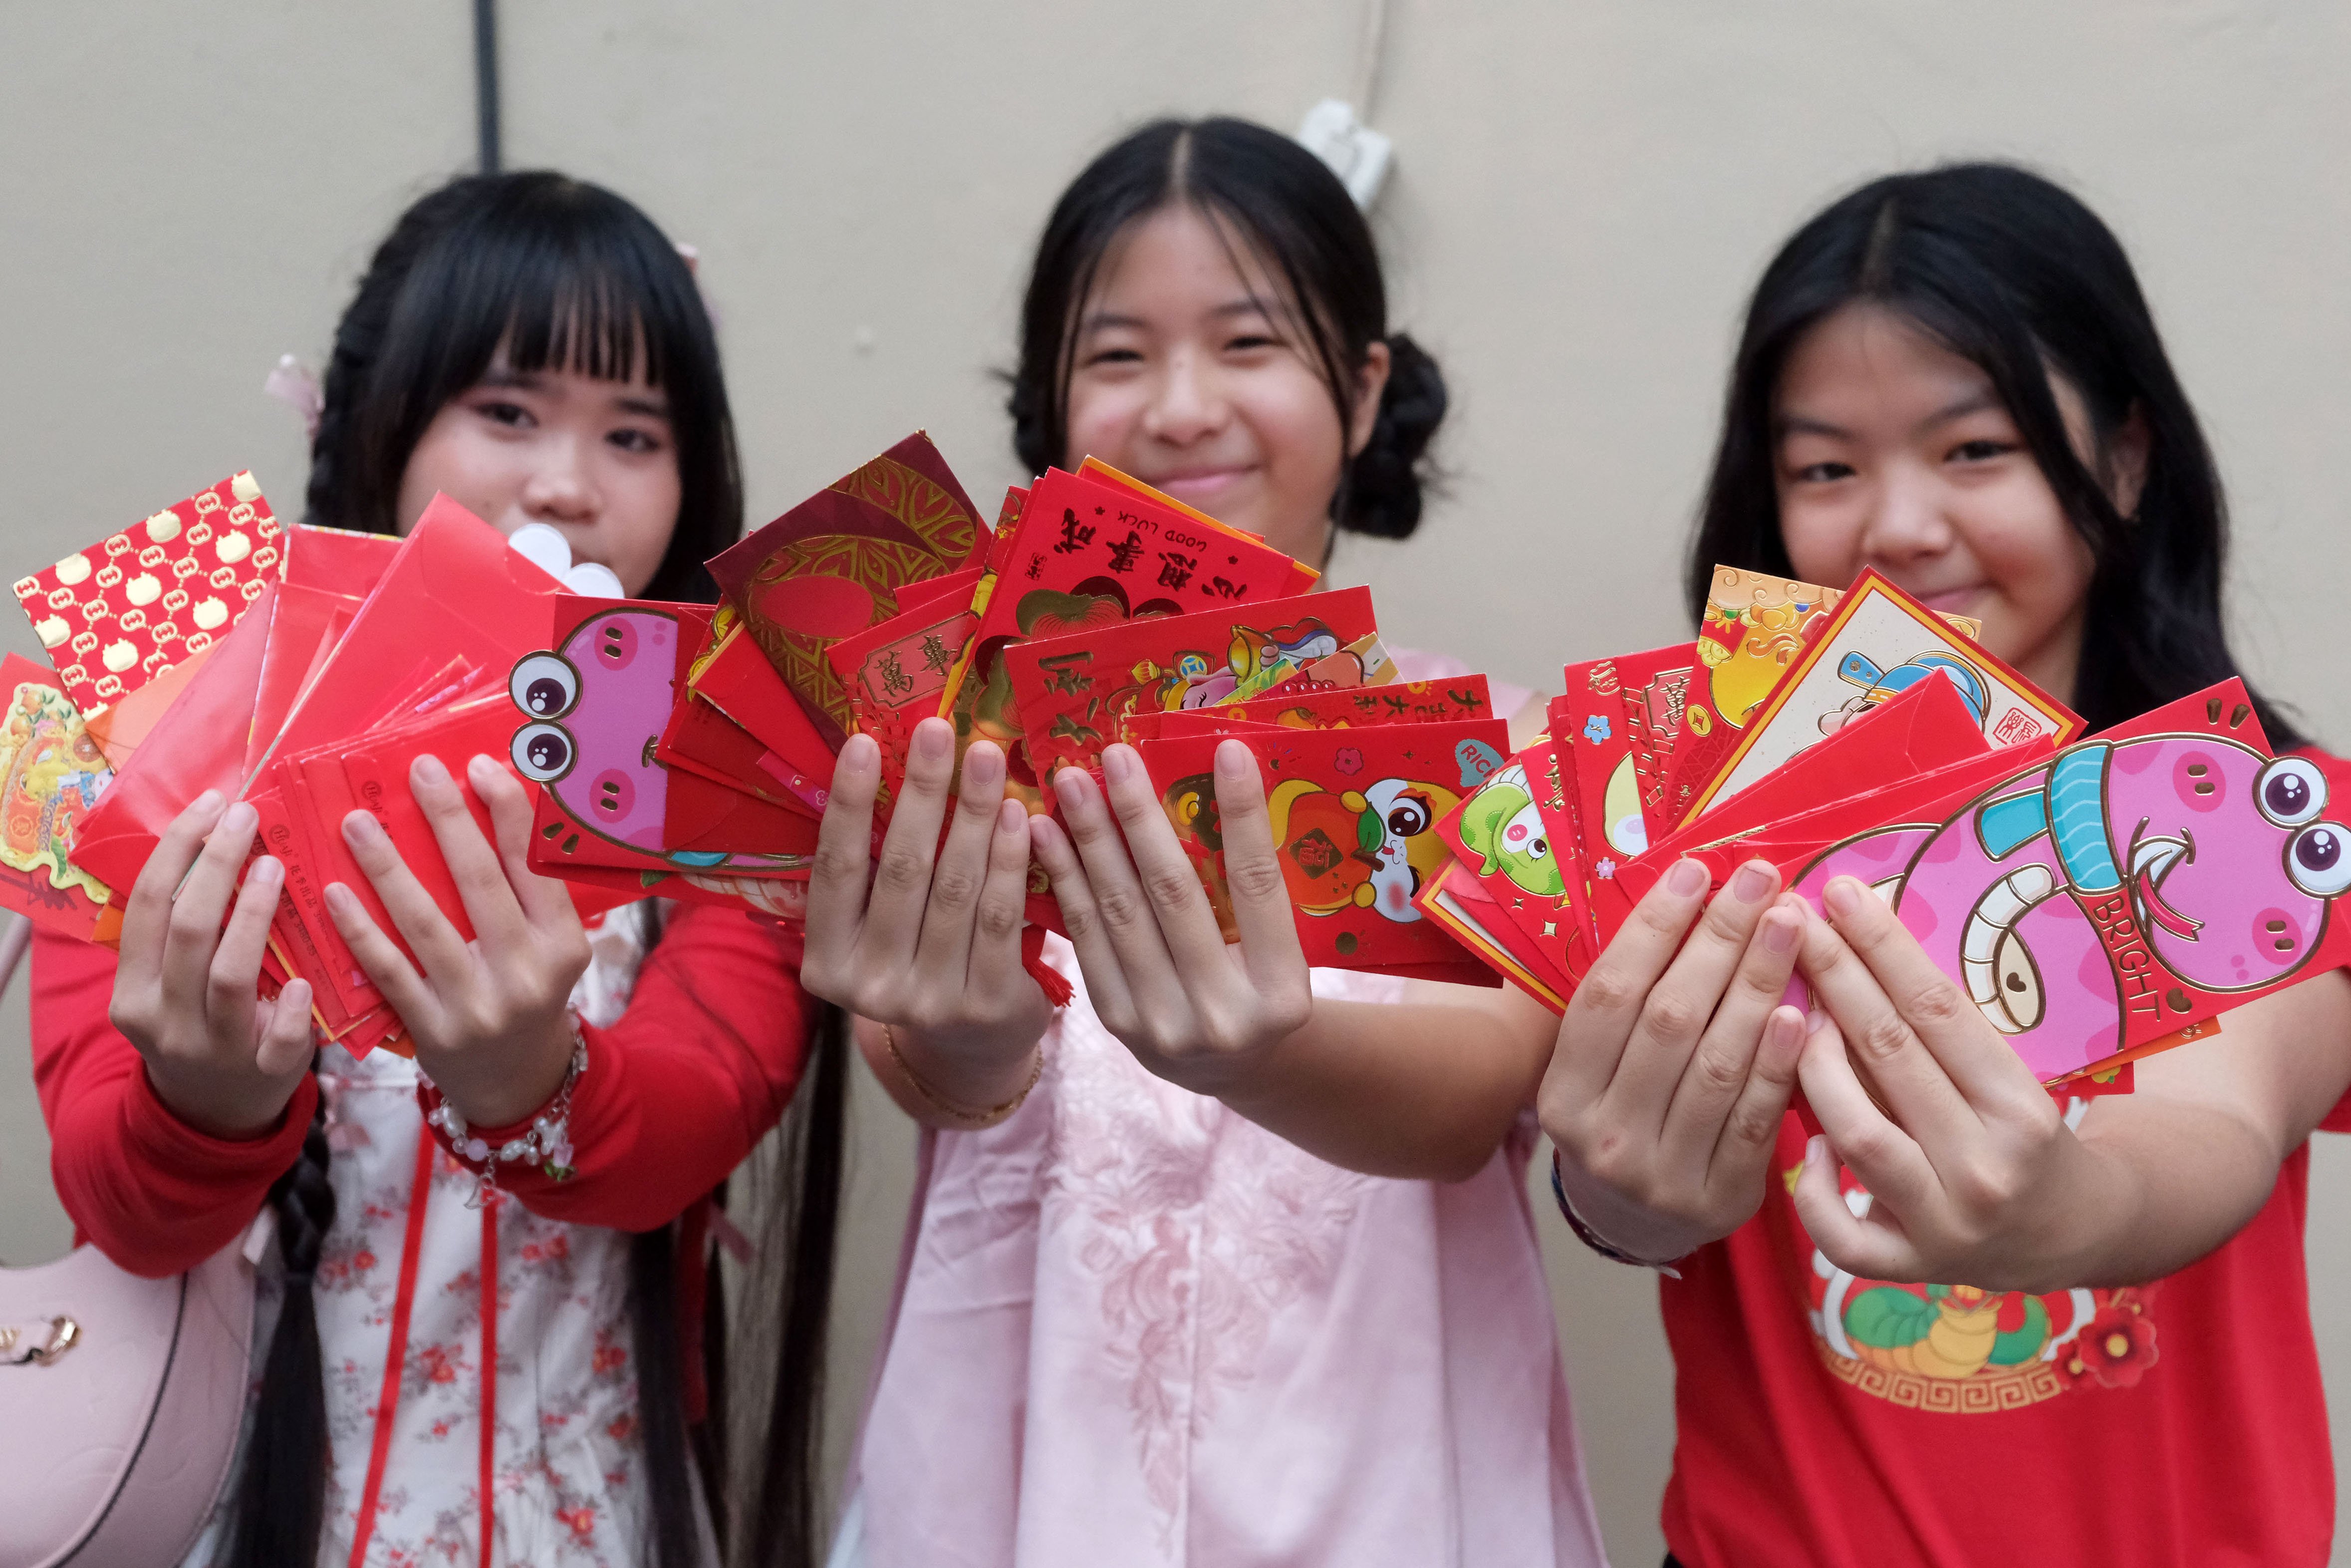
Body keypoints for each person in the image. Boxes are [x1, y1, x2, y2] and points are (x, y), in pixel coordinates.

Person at [1035, 159, 2351, 1567]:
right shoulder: (1657, 816)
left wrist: (2061, 1207)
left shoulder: (2253, 819)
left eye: (1977, 451)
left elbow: (2219, 1126)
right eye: (1826, 468)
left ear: (2128, 455)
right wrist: (1587, 1185)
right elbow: (1495, 1079)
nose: (1899, 525)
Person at [803, 118, 1605, 1567]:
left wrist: (1250, 1056)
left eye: (1247, 344)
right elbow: (924, 1065)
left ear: (1361, 391)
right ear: (1051, 406)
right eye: (1117, 357)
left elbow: (1477, 1097)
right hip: (1013, 1483)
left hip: (1389, 1484)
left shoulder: (1511, 744)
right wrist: (971, 1040)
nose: (1180, 409)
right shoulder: (950, 719)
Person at [31, 171, 845, 1568]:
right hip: (243, 1514)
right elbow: (120, 1199)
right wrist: (207, 1095)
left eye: (634, 433)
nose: (566, 484)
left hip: (595, 1518)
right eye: (509, 410)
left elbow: (703, 1109)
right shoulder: (154, 716)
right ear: (378, 435)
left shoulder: (735, 789)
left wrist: (533, 1076)